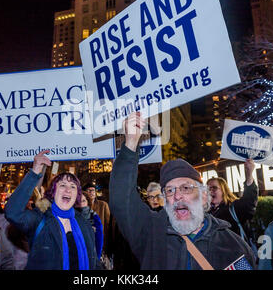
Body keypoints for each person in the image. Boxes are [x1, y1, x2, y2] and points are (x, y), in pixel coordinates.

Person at [109, 112, 256, 270]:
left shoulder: (232, 245)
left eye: (186, 188)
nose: (177, 195)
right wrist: (130, 143)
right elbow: (121, 199)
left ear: (204, 196)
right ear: (165, 199)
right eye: (170, 190)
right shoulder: (151, 232)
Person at [5, 150, 101, 270]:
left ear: (77, 195)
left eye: (73, 187)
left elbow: (94, 261)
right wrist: (34, 172)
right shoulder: (39, 219)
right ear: (53, 192)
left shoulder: (84, 223)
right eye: (62, 185)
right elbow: (12, 212)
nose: (68, 190)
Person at [206, 161, 258, 239]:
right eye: (208, 188)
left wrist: (249, 175)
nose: (210, 191)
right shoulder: (206, 212)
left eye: (214, 188)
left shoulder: (234, 208)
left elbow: (249, 201)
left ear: (224, 190)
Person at [82, 182, 111, 258]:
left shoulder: (103, 205)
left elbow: (108, 224)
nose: (91, 192)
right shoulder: (82, 206)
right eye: (89, 190)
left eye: (93, 190)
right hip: (87, 242)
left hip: (101, 240)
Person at [76, 194, 104, 259]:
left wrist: (97, 257)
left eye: (83, 201)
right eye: (78, 201)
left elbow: (99, 239)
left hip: (91, 254)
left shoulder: (94, 217)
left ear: (88, 202)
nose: (81, 204)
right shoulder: (71, 217)